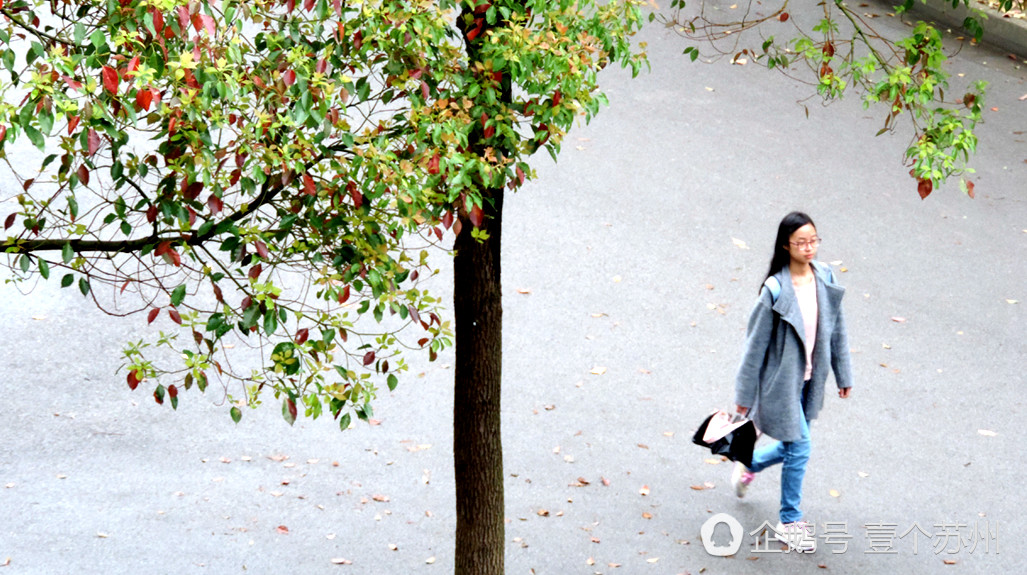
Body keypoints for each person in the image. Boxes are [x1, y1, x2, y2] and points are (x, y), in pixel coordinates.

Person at [731, 211, 853, 553]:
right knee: (800, 447)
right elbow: (753, 347)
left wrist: (844, 373)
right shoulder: (775, 290)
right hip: (779, 385)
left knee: (790, 446)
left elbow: (837, 330)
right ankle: (789, 521)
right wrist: (743, 396)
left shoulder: (825, 276)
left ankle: (748, 465)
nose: (809, 247)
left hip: (811, 381)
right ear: (786, 245)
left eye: (814, 240)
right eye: (802, 242)